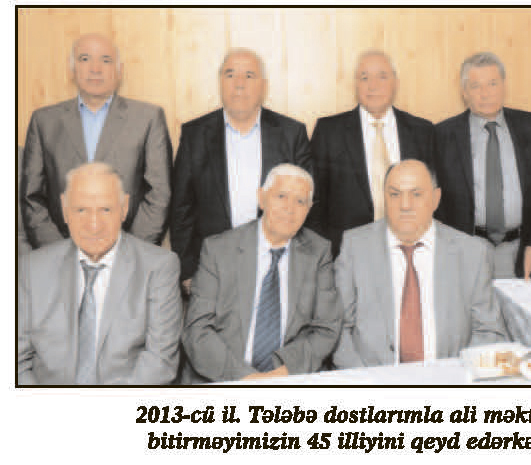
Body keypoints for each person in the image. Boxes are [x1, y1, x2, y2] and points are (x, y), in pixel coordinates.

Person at [18, 162, 182, 385]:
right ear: (65, 208)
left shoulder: (159, 267)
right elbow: (17, 362)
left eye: (105, 209)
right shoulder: (31, 269)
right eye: (81, 210)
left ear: (124, 207)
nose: (94, 225)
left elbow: (160, 362)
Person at [333, 159, 505, 369]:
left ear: (435, 198)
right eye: (394, 194)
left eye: (416, 194)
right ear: (383, 198)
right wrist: (366, 381)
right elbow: (337, 329)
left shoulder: (471, 252)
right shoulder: (355, 246)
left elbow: (489, 331)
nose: (405, 205)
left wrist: (457, 378)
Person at [170, 48, 312, 295]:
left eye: (249, 75)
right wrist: (188, 270)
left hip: (277, 268)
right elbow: (181, 209)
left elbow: (307, 205)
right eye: (230, 74)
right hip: (212, 272)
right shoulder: (195, 135)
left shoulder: (291, 134)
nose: (239, 84)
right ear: (220, 82)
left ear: (263, 85)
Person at [182, 164, 341, 382]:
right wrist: (247, 378)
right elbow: (197, 330)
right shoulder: (218, 250)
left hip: (288, 379)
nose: (290, 208)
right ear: (261, 198)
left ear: (309, 208)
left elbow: (327, 328)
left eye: (300, 201)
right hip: (226, 378)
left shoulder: (318, 252)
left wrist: (282, 375)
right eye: (281, 196)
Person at [21, 33, 172, 248]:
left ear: (119, 70)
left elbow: (159, 194)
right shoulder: (44, 121)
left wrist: (131, 254)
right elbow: (32, 197)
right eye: (84, 59)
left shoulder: (148, 118)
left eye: (106, 60)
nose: (95, 68)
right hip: (60, 253)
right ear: (72, 69)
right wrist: (59, 254)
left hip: (129, 252)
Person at [434, 52, 531, 281]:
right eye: (476, 86)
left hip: (522, 249)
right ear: (464, 92)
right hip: (467, 249)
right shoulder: (443, 135)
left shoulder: (529, 125)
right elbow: (434, 199)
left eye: (492, 83)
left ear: (503, 86)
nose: (486, 93)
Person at [306, 50, 435, 258]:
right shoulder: (329, 131)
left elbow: (433, 198)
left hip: (410, 252)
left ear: (395, 83)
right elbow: (313, 202)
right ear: (356, 85)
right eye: (364, 78)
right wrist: (327, 256)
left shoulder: (422, 132)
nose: (373, 86)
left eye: (382, 77)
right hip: (347, 255)